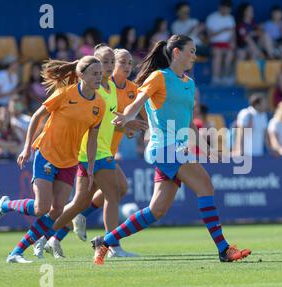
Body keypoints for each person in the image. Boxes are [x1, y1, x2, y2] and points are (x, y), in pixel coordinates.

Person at [93, 34, 251, 265]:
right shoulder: (159, 77)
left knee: (156, 210)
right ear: (176, 52)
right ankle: (223, 250)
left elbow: (187, 123)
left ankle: (105, 241)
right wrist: (127, 116)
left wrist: (206, 148)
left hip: (176, 147)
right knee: (205, 186)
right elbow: (139, 100)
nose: (195, 56)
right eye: (192, 51)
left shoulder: (189, 83)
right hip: (165, 147)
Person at [0, 55, 107, 263]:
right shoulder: (65, 93)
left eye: (100, 73)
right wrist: (26, 147)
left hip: (70, 161)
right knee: (41, 208)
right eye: (94, 73)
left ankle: (16, 252)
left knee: (57, 209)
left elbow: (92, 139)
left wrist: (90, 166)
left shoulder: (100, 104)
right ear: (81, 75)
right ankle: (5, 205)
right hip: (47, 154)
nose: (99, 77)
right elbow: (37, 116)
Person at [34, 45, 148, 259]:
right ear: (94, 63)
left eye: (111, 62)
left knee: (83, 201)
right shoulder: (90, 89)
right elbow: (88, 123)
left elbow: (107, 121)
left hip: (104, 151)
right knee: (113, 194)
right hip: (90, 152)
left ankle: (49, 236)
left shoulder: (110, 89)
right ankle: (112, 246)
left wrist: (126, 127)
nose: (110, 66)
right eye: (106, 62)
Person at [206, 0, 236, 85]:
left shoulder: (230, 18)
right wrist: (223, 30)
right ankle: (216, 78)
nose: (227, 11)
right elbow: (209, 35)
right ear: (221, 8)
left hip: (227, 44)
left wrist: (233, 43)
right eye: (225, 9)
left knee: (230, 53)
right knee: (218, 52)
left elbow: (233, 34)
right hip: (214, 45)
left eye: (228, 9)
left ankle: (225, 77)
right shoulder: (211, 18)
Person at [234, 92, 269, 157]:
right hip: (246, 156)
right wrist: (240, 150)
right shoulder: (245, 113)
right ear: (257, 104)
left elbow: (265, 135)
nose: (266, 105)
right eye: (264, 103)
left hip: (258, 155)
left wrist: (271, 150)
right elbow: (240, 132)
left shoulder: (264, 116)